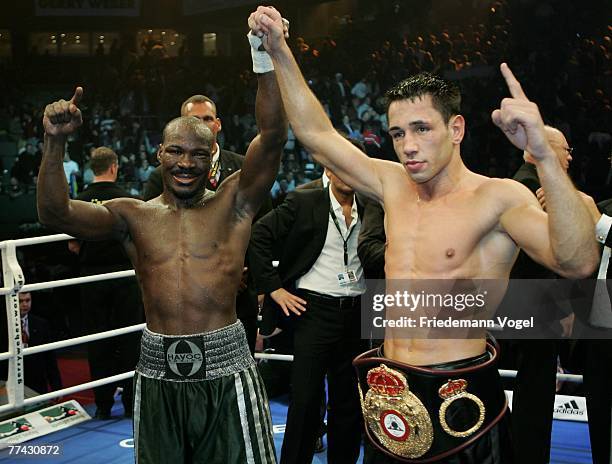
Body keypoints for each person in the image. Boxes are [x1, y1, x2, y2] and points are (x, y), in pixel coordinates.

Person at [249, 6, 598, 462]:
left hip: (463, 397)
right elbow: (317, 134)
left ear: (455, 129)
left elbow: (577, 262)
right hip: (390, 393)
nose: (408, 145)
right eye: (397, 133)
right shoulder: (393, 185)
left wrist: (544, 157)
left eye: (421, 129)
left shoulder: (499, 197)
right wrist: (279, 49)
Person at [37, 33, 287, 462]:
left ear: (213, 159)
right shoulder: (133, 216)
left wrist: (263, 58)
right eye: (175, 151)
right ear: (158, 153)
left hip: (227, 366)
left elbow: (273, 135)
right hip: (156, 371)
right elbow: (55, 214)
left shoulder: (235, 203)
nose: (185, 163)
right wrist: (55, 141)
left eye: (196, 154)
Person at [250, 167, 366, 463]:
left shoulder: (372, 205)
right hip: (313, 312)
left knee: (349, 403)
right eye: (338, 165)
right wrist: (274, 288)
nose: (346, 173)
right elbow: (258, 235)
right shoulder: (304, 201)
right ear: (328, 168)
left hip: (357, 315)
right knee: (304, 401)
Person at [143, 94, 273, 354]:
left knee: (238, 364)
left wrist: (243, 272)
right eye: (194, 119)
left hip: (241, 290)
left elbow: (263, 225)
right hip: (183, 293)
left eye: (207, 119)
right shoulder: (162, 175)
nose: (201, 125)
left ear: (218, 124)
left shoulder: (243, 167)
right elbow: (153, 228)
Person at [503, 126, 575, 462]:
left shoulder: (523, 187)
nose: (570, 156)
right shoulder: (529, 190)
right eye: (565, 148)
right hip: (528, 309)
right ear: (540, 149)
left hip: (510, 308)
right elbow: (549, 259)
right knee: (534, 396)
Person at [70, 146, 144, 420]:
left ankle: (102, 404)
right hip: (125, 277)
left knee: (98, 340)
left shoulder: (80, 201)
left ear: (92, 168)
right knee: (130, 339)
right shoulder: (128, 200)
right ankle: (130, 402)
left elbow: (72, 245)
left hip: (92, 279)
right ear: (114, 167)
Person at [18, 292, 62, 395]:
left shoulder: (41, 324)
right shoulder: (3, 325)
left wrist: (56, 387)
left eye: (28, 300)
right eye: (20, 301)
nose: (25, 304)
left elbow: (50, 358)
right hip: (11, 381)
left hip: (37, 382)